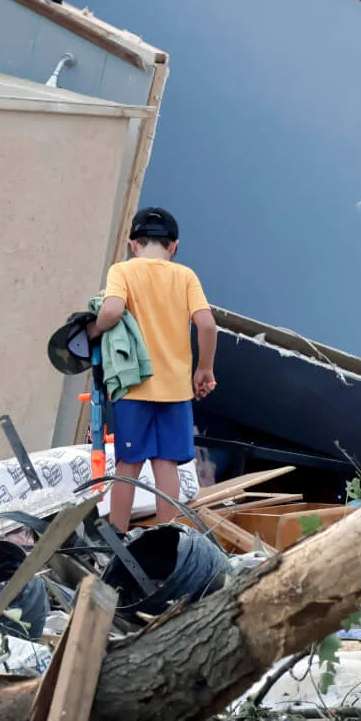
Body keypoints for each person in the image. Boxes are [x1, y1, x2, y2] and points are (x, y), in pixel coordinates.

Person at [89, 207, 216, 533]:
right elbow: (207, 324)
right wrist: (204, 369)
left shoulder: (123, 271)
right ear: (173, 246)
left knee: (128, 465)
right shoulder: (186, 276)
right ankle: (168, 540)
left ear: (134, 244)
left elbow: (113, 310)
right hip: (175, 388)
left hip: (135, 386)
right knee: (166, 464)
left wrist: (94, 330)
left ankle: (115, 539)